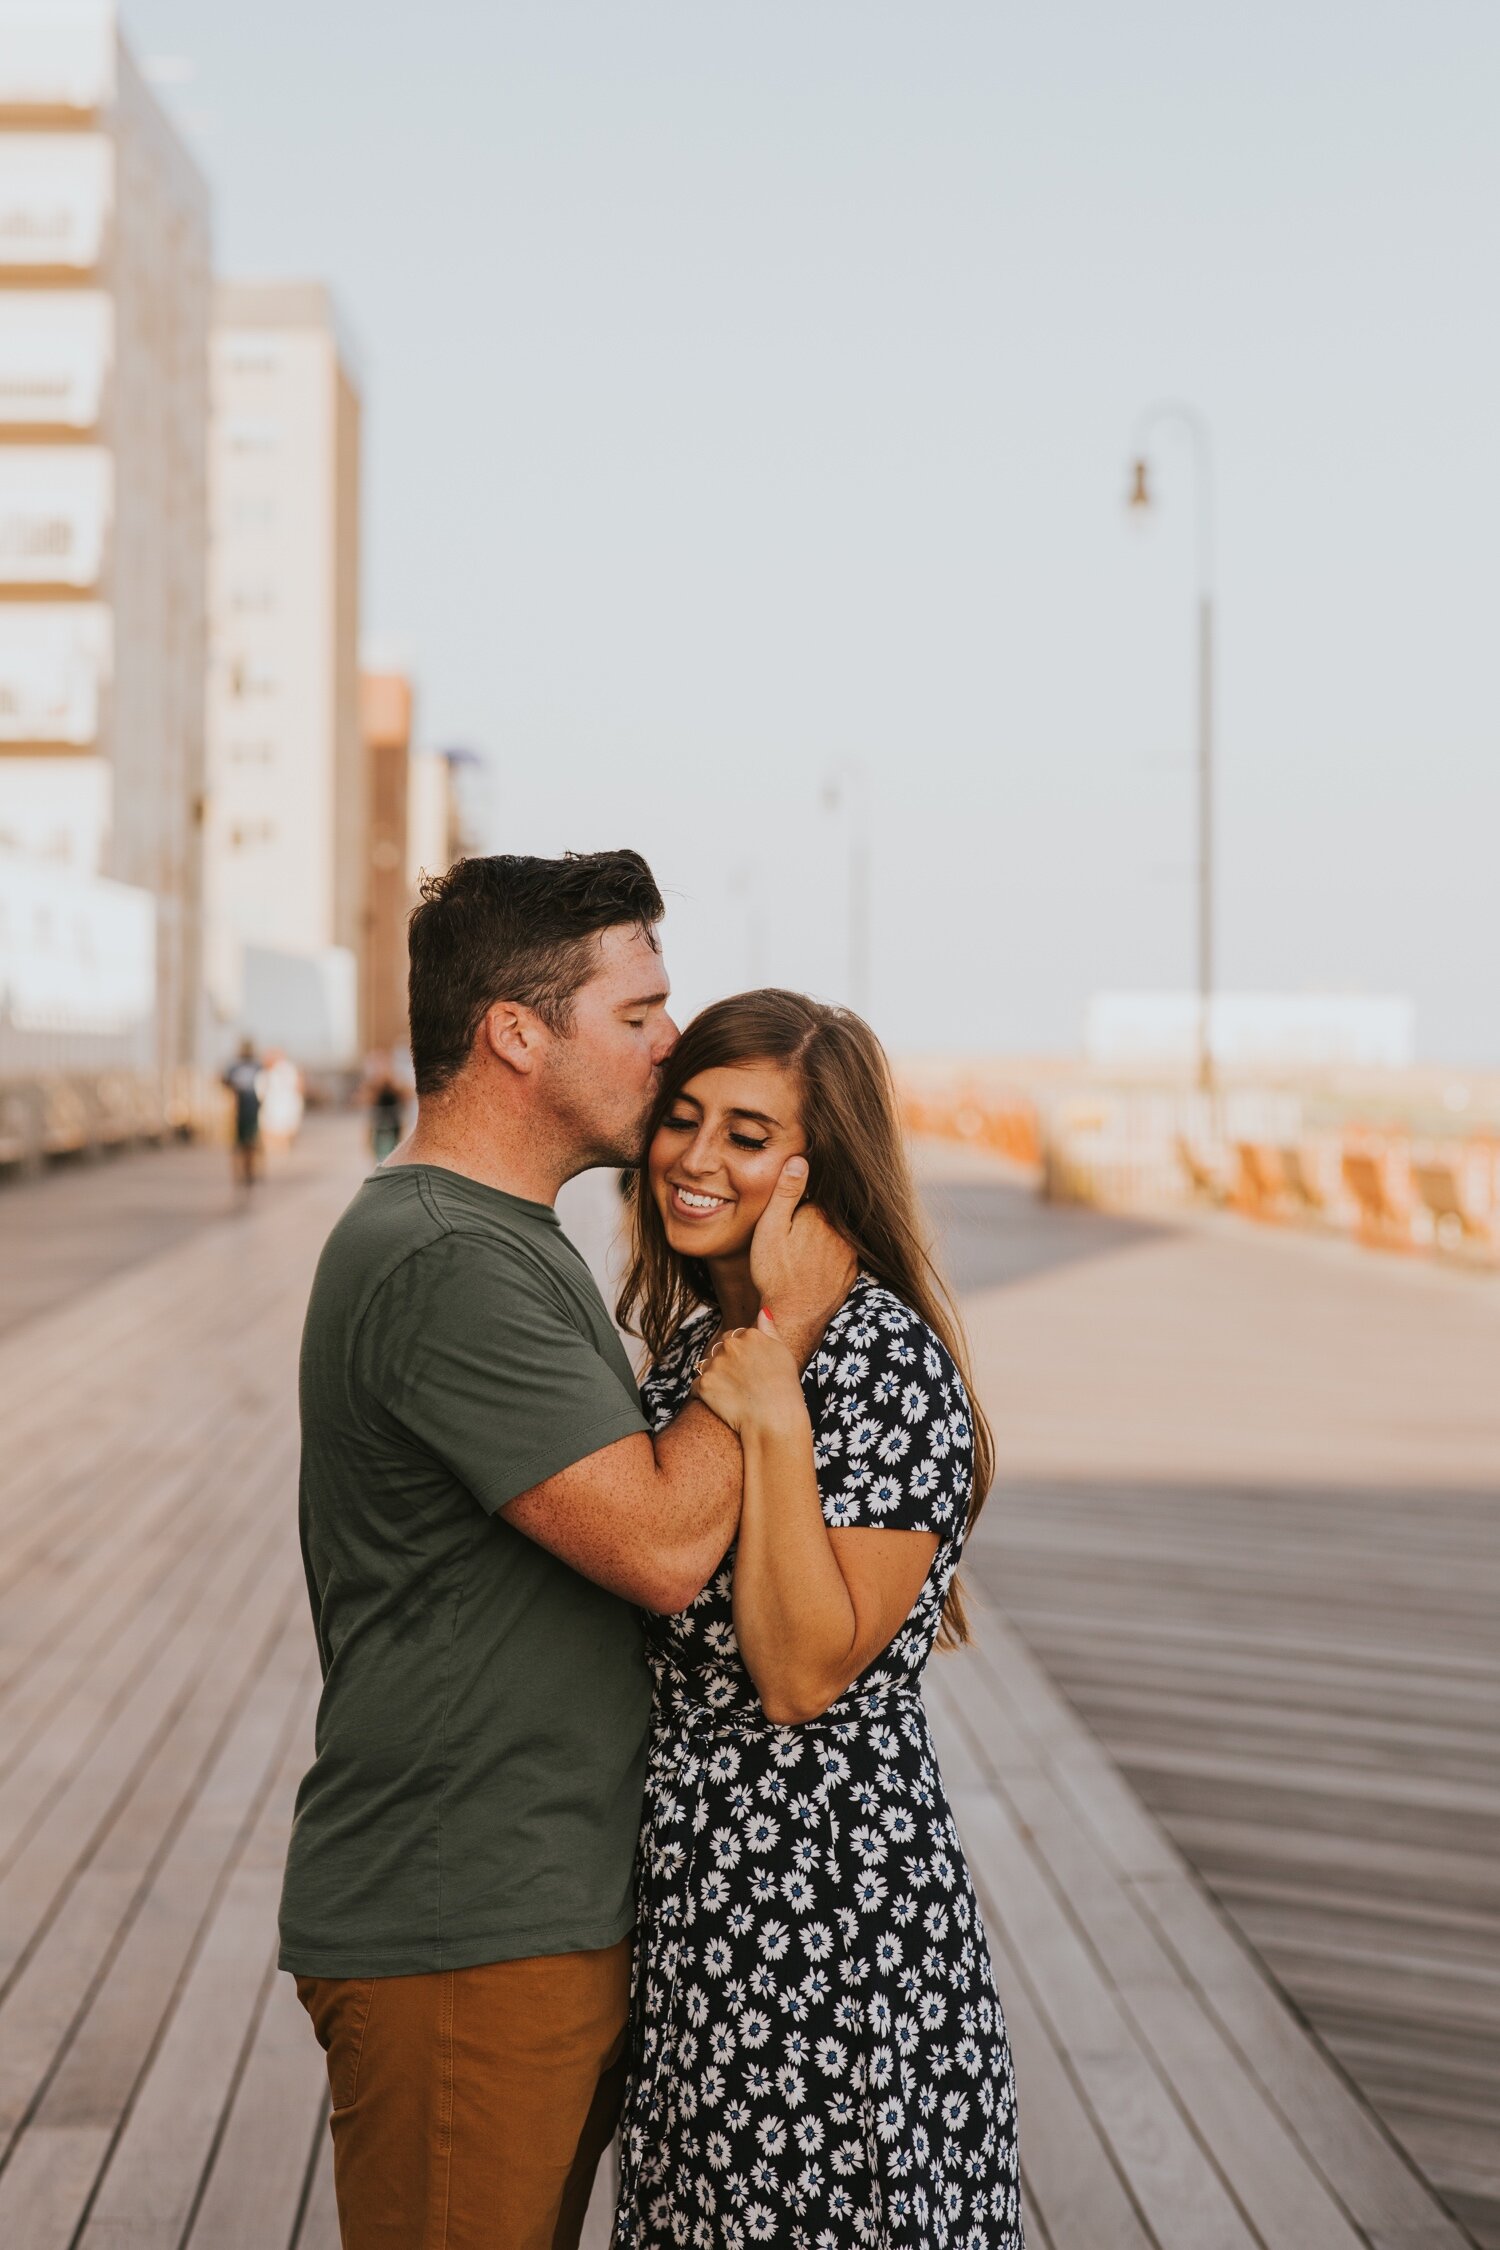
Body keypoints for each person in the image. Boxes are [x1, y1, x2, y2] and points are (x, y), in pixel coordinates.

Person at [279, 853, 850, 2250]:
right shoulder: (442, 1257)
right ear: (517, 1035)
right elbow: (659, 1545)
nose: (671, 1039)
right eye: (640, 1011)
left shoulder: (502, 1234)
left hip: (532, 1908)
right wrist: (776, 1323)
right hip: (464, 1917)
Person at [610, 989, 1024, 2250]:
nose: (695, 1157)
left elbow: (797, 1674)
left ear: (818, 1164)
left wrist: (780, 1391)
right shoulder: (695, 1352)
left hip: (829, 1913)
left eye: (746, 1134)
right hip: (701, 1904)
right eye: (682, 1120)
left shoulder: (876, 1361)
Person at [222, 1037, 264, 1193]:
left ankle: (250, 1172)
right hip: (239, 1110)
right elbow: (225, 1081)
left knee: (251, 1143)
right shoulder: (236, 1067)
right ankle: (241, 1173)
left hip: (252, 1109)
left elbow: (264, 1085)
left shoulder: (257, 1067)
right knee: (239, 1145)